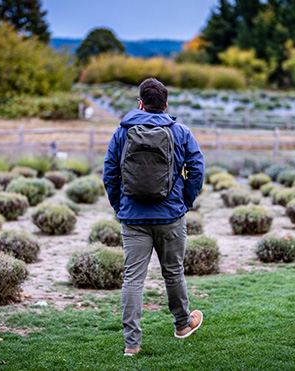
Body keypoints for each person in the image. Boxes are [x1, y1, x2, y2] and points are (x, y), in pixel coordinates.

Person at [103, 78, 205, 356]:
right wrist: (184, 201)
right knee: (173, 272)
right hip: (171, 216)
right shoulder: (181, 131)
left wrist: (120, 205)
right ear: (166, 105)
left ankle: (131, 344)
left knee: (133, 279)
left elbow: (109, 173)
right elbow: (197, 169)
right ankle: (183, 325)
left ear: (140, 103)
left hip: (133, 217)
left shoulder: (121, 133)